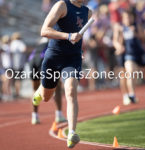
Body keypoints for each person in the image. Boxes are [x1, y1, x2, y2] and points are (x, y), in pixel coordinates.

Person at [32, 0, 92, 148]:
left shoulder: (88, 12)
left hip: (72, 59)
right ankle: (41, 90)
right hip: (54, 57)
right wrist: (68, 36)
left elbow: (79, 37)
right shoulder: (62, 5)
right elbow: (44, 31)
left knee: (71, 90)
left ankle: (72, 133)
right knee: (46, 97)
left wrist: (80, 50)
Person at [29, 38, 66, 124]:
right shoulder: (55, 39)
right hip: (44, 59)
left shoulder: (41, 40)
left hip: (32, 60)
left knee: (35, 89)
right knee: (57, 87)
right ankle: (59, 115)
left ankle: (35, 116)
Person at [113, 10, 145, 104]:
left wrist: (135, 33)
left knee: (133, 74)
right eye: (126, 17)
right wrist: (119, 46)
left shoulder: (136, 26)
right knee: (124, 75)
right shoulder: (119, 27)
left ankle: (131, 94)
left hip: (134, 53)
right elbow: (115, 41)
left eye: (129, 17)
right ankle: (126, 95)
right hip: (123, 54)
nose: (128, 19)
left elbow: (143, 39)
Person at [10, 32, 26, 98]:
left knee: (13, 79)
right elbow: (24, 49)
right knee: (18, 79)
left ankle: (13, 93)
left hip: (13, 63)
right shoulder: (20, 43)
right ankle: (18, 93)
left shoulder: (12, 43)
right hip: (19, 64)